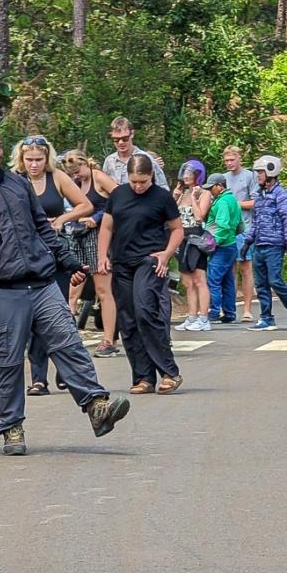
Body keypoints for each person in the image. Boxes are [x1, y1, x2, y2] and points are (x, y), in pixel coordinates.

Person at [0, 121, 131, 456]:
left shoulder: (18, 184)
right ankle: (11, 428)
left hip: (43, 282)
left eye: (0, 146)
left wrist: (68, 260)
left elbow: (42, 229)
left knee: (69, 343)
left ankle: (97, 407)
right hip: (2, 290)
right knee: (6, 361)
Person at [12, 136, 93, 396]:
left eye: (39, 159)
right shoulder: (14, 179)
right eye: (29, 160)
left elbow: (85, 204)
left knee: (58, 313)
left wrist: (61, 219)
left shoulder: (57, 177)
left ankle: (65, 368)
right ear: (21, 159)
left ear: (47, 158)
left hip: (54, 252)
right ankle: (38, 378)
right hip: (24, 255)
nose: (34, 165)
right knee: (33, 317)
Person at [97, 154, 184, 395]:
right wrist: (102, 255)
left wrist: (167, 254)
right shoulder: (118, 195)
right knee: (128, 319)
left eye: (143, 181)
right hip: (122, 263)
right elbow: (106, 226)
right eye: (134, 181)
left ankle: (170, 372)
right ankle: (144, 377)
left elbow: (177, 230)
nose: (138, 186)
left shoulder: (162, 197)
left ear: (151, 176)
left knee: (146, 311)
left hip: (150, 261)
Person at [60, 150, 121, 358]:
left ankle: (109, 339)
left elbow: (121, 199)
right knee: (73, 288)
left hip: (99, 235)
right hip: (79, 234)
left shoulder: (99, 177)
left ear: (86, 163)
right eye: (72, 174)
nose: (76, 176)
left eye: (78, 171)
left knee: (103, 290)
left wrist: (98, 216)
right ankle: (68, 336)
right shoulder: (76, 183)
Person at [243, 155, 287, 331]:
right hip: (259, 245)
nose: (258, 176)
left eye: (261, 172)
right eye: (257, 172)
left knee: (275, 280)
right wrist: (248, 242)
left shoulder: (281, 194)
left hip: (274, 246)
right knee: (261, 284)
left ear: (271, 171)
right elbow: (256, 222)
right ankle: (266, 319)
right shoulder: (260, 196)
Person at [173, 160, 214, 331]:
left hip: (196, 238)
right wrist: (174, 197)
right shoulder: (182, 194)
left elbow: (199, 217)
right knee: (188, 281)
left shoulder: (204, 194)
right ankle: (191, 316)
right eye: (185, 171)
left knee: (199, 279)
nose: (186, 175)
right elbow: (171, 216)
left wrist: (195, 199)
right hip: (181, 237)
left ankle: (204, 318)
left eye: (190, 172)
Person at [203, 173, 245, 325]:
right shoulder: (233, 200)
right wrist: (232, 236)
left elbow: (223, 225)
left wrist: (213, 243)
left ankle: (214, 311)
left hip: (222, 247)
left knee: (213, 279)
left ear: (220, 186)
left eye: (211, 187)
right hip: (231, 245)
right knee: (227, 280)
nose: (210, 191)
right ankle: (229, 312)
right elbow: (241, 225)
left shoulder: (221, 203)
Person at [221, 146, 258, 323]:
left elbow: (256, 202)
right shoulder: (224, 178)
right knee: (230, 269)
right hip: (227, 230)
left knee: (245, 268)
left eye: (232, 160)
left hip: (245, 227)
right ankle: (230, 308)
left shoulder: (249, 176)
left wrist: (236, 204)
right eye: (226, 160)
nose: (229, 163)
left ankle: (248, 309)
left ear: (239, 158)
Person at [103, 116, 168, 188]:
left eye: (124, 138)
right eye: (116, 139)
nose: (120, 142)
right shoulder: (109, 161)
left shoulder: (146, 159)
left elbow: (163, 188)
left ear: (132, 134)